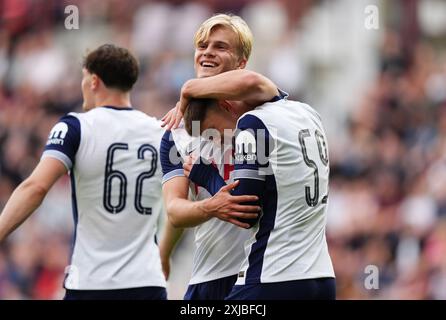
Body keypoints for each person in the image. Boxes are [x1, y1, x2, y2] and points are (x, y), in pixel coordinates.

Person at [0, 44, 167, 300]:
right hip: (147, 281)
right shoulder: (161, 132)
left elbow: (36, 187)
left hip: (91, 282)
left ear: (94, 81)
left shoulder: (76, 126)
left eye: (83, 77)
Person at [159, 14, 280, 300]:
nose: (208, 52)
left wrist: (188, 90)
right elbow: (175, 209)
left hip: (264, 270)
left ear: (241, 62)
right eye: (202, 46)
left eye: (221, 46)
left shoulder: (262, 112)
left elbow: (256, 85)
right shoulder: (176, 133)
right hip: (210, 274)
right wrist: (163, 253)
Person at [181, 92, 337, 300]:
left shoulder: (251, 124)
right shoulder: (306, 112)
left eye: (214, 132)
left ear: (227, 106)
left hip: (274, 275)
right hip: (322, 276)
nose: (217, 142)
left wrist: (206, 175)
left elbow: (245, 212)